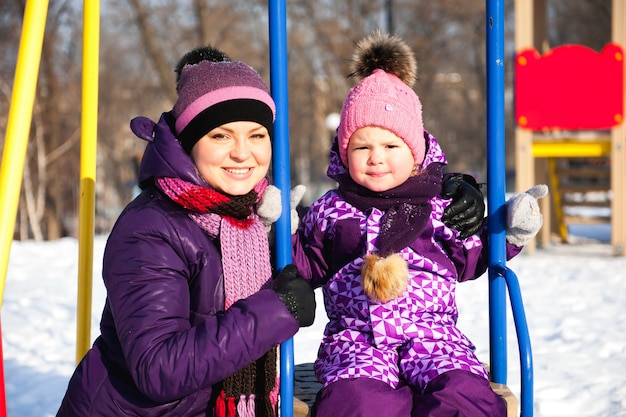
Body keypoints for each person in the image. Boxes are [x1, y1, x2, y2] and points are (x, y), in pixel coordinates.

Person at [291, 32, 548, 417]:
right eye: (362, 147)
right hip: (357, 342)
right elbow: (305, 264)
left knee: (463, 395)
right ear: (345, 154)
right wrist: (280, 233)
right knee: (355, 404)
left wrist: (510, 233)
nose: (376, 158)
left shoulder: (438, 204)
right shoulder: (333, 209)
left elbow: (471, 255)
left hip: (434, 336)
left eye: (391, 147)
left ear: (415, 155)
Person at [56, 45, 318, 417]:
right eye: (221, 136)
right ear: (190, 142)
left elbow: (319, 258)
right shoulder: (151, 229)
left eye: (257, 135)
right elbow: (159, 368)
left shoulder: (253, 215)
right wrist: (276, 309)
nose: (243, 153)